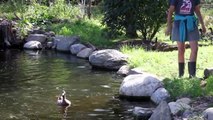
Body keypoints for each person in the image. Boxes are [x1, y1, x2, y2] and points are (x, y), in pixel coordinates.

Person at [165, 0, 206, 78]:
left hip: (191, 23)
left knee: (195, 49)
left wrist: (203, 25)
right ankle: (181, 75)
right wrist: (168, 26)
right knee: (181, 49)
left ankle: (192, 75)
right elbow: (170, 11)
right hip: (179, 23)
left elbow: (197, 10)